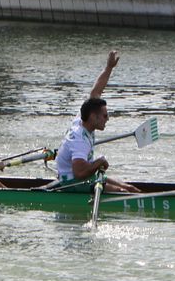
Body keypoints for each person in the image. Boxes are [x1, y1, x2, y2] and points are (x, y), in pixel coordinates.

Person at [54, 51, 139, 194]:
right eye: (105, 116)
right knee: (120, 191)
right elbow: (79, 173)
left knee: (129, 188)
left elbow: (97, 90)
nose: (108, 119)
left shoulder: (82, 118)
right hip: (72, 183)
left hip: (81, 176)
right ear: (93, 117)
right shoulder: (79, 139)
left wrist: (109, 68)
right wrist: (99, 162)